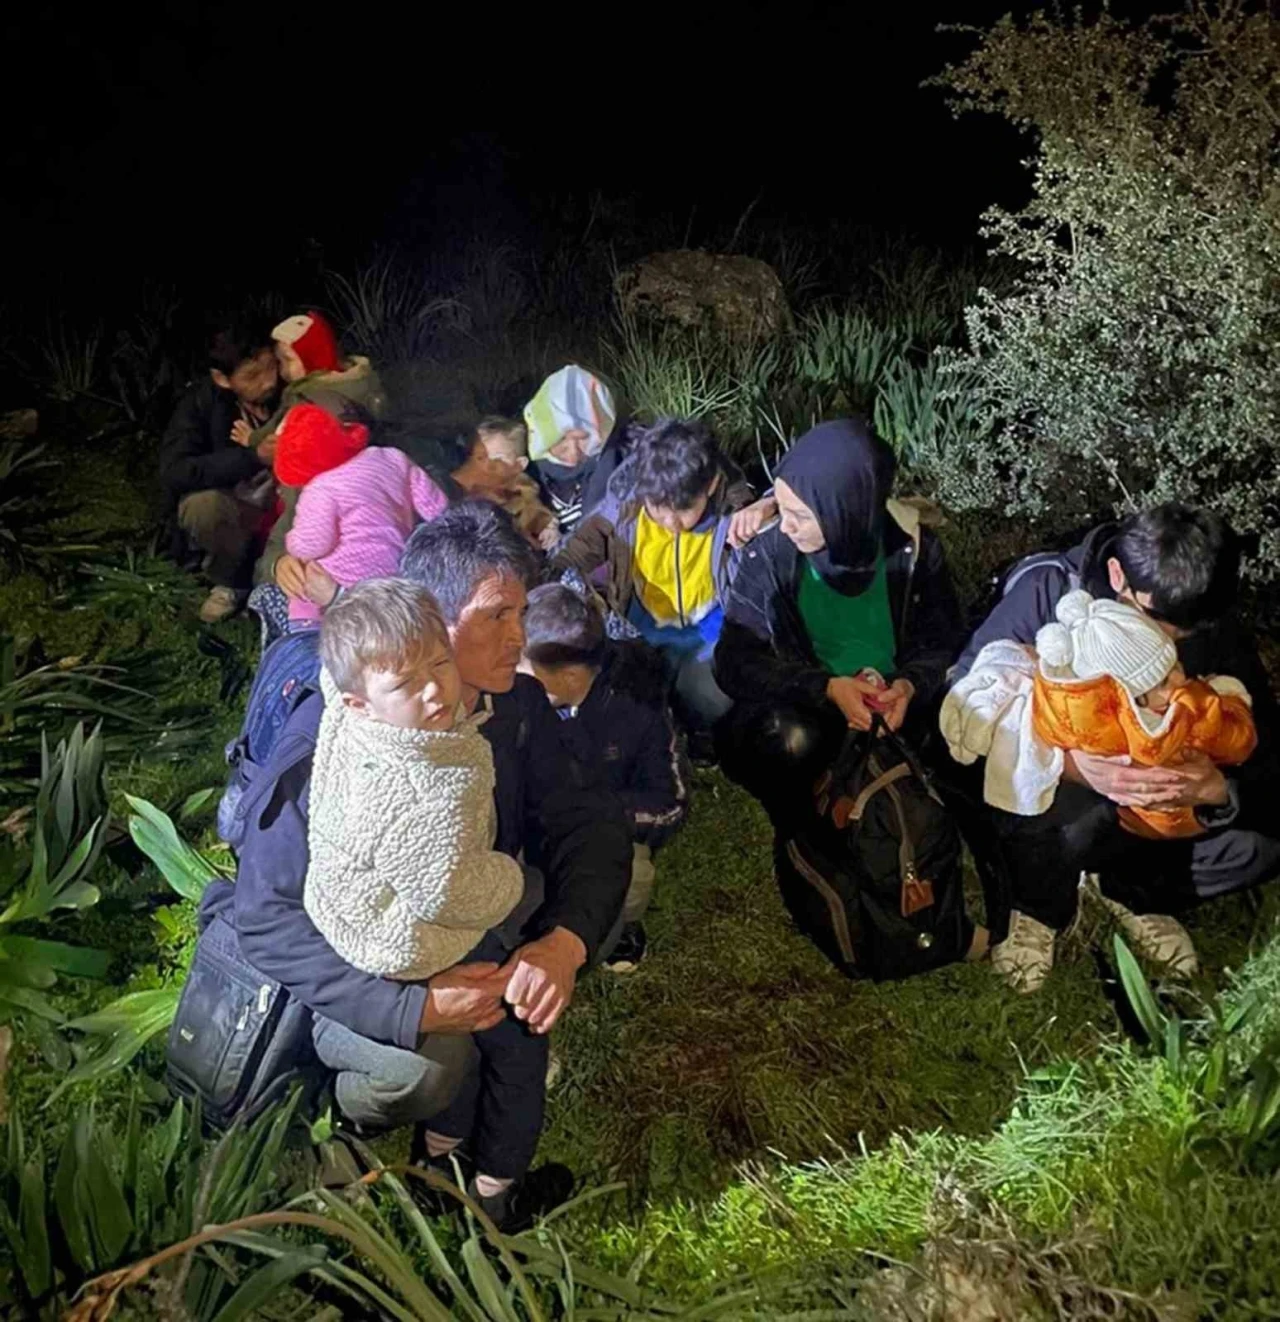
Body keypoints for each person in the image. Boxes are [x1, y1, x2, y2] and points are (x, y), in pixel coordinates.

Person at [200, 500, 632, 1231]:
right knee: (430, 1066)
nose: (519, 636)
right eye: (497, 616)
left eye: (522, 611)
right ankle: (338, 1107)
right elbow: (267, 922)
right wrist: (414, 1009)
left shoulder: (513, 703)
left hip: (455, 905)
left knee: (613, 893)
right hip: (351, 950)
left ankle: (460, 1170)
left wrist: (564, 942)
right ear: (433, 619)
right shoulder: (336, 742)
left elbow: (587, 819)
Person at [949, 503, 1280, 993]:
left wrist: (1217, 791)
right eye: (1158, 619)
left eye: (1186, 633)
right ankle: (1039, 906)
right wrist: (1071, 765)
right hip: (1067, 791)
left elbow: (1262, 743)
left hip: (1158, 806)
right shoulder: (1049, 587)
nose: (1170, 640)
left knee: (1260, 848)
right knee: (1068, 808)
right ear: (1117, 574)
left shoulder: (1198, 609)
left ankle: (1127, 892)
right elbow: (963, 701)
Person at [306, 578, 550, 1209]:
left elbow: (348, 674)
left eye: (439, 663)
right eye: (407, 684)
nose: (437, 692)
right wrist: (509, 878)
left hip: (355, 914)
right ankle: (497, 1189)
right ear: (362, 702)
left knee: (467, 1033)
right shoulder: (425, 787)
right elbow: (446, 891)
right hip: (411, 937)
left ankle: (438, 1159)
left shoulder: (350, 713)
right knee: (517, 1035)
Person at [714, 418, 963, 828]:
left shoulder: (913, 549)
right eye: (780, 507)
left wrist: (908, 686)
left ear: (844, 511)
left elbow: (942, 641)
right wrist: (826, 689)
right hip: (814, 706)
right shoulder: (771, 553)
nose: (785, 525)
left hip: (893, 706)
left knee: (964, 725)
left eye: (799, 515)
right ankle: (807, 824)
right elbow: (733, 660)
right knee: (784, 738)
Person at [551, 417, 758, 738]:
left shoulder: (735, 514)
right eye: (659, 509)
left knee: (710, 699)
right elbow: (582, 545)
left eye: (684, 510)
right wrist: (547, 574)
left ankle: (700, 734)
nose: (671, 523)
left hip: (708, 630)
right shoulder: (625, 502)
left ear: (711, 485)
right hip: (642, 625)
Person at [521, 582, 688, 972]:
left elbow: (671, 804)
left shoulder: (638, 705)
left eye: (523, 669)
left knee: (631, 872)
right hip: (536, 816)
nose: (511, 673)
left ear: (570, 676)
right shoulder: (518, 699)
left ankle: (622, 925)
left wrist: (602, 813)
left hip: (604, 820)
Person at [253, 310, 389, 602]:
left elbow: (300, 503)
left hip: (316, 518)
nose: (282, 371)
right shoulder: (315, 392)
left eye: (288, 360)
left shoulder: (322, 408)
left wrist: (275, 563)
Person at [276, 404, 448, 627]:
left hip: (343, 580)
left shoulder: (320, 489)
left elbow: (314, 544)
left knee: (302, 595)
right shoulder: (392, 458)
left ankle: (303, 634)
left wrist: (292, 544)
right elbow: (436, 506)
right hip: (396, 569)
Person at [159, 321, 281, 623]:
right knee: (203, 506)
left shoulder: (291, 391)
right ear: (222, 378)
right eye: (252, 376)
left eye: (271, 366)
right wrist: (253, 457)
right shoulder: (200, 403)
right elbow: (176, 470)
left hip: (286, 507)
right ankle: (231, 580)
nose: (268, 381)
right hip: (238, 509)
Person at [452, 418, 558, 550]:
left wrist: (548, 528)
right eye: (481, 458)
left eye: (498, 458)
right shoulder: (463, 485)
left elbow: (537, 514)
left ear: (519, 465)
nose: (488, 465)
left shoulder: (522, 490)